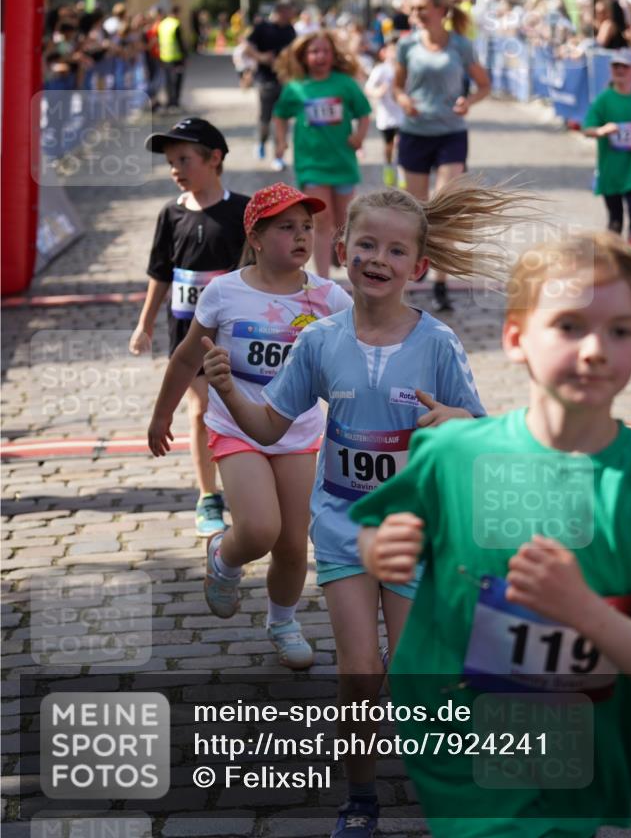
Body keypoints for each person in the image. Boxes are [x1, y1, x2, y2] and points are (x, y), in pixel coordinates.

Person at [201, 182, 531, 838]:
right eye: (368, 245)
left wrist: (455, 418)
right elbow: (268, 428)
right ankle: (360, 800)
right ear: (345, 251)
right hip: (342, 524)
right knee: (359, 671)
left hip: (410, 530)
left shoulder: (435, 344)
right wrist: (227, 392)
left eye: (396, 250)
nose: (378, 258)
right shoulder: (319, 341)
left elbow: (481, 427)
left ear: (419, 268)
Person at [354, 231, 631, 838]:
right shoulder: (450, 452)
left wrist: (585, 613)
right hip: (457, 747)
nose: (596, 348)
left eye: (621, 330)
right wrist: (380, 549)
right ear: (516, 337)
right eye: (570, 325)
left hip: (579, 761)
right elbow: (380, 527)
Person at [148, 183, 351, 668]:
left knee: (290, 543)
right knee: (259, 529)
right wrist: (162, 414)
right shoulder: (225, 292)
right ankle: (224, 556)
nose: (301, 237)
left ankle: (283, 622)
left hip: (298, 433)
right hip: (236, 428)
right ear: (256, 238)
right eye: (286, 228)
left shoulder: (330, 298)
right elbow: (183, 358)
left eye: (306, 227)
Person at [131, 118, 248, 536]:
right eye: (169, 162)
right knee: (200, 411)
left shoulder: (243, 212)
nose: (175, 169)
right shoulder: (171, 214)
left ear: (214, 159)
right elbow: (160, 272)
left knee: (235, 410)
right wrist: (144, 325)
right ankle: (207, 496)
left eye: (184, 159)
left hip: (237, 336)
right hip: (186, 336)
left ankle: (251, 483)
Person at [394, 0, 491, 311]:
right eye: (413, 8)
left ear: (440, 10)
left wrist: (470, 101)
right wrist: (404, 100)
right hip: (414, 132)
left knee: (443, 206)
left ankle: (440, 281)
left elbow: (484, 84)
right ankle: (416, 266)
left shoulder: (460, 46)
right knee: (417, 209)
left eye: (422, 8)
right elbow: (396, 85)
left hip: (451, 132)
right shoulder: (406, 45)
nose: (417, 13)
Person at [273, 30, 372, 278]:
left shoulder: (344, 83)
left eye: (325, 51)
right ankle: (322, 280)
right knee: (321, 219)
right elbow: (280, 115)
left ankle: (338, 252)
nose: (320, 56)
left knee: (344, 221)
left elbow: (364, 112)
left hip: (342, 161)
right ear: (304, 56)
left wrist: (359, 136)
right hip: (311, 163)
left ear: (333, 54)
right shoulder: (296, 87)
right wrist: (281, 142)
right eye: (314, 51)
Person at [582, 48, 631, 247]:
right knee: (616, 221)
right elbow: (587, 129)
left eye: (625, 66)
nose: (619, 69)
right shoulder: (604, 100)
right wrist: (603, 130)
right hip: (611, 169)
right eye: (616, 66)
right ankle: (613, 259)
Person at [244, 0, 296, 170]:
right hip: (265, 80)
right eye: (289, 11)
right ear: (281, 11)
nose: (292, 15)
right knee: (265, 119)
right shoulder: (262, 27)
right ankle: (261, 140)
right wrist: (261, 57)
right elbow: (246, 47)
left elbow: (294, 54)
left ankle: (279, 155)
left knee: (282, 120)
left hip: (285, 81)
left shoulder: (290, 30)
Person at [365, 37, 404, 187]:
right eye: (392, 50)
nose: (395, 54)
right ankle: (388, 166)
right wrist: (378, 92)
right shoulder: (381, 69)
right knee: (389, 145)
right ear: (384, 53)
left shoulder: (404, 68)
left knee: (400, 144)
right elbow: (369, 88)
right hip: (386, 116)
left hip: (402, 115)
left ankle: (402, 172)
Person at [158, 5, 187, 112]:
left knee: (168, 81)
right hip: (176, 57)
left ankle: (169, 100)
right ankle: (175, 101)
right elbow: (180, 42)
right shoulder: (176, 24)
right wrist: (185, 56)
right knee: (177, 80)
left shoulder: (162, 24)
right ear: (176, 13)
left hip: (164, 57)